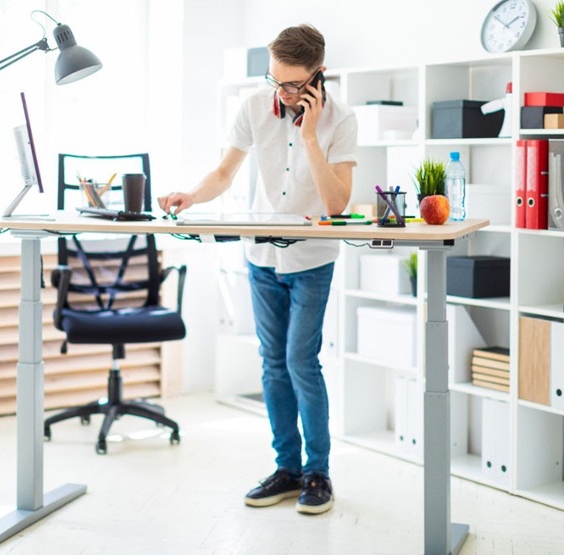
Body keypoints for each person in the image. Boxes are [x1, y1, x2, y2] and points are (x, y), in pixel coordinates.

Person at [158, 24, 357, 515]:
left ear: (318, 75)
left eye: (293, 84)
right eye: (275, 81)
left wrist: (309, 135)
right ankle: (287, 469)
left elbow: (337, 203)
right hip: (261, 256)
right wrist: (191, 194)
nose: (283, 93)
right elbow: (225, 174)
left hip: (311, 259)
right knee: (272, 364)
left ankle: (318, 473)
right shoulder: (252, 107)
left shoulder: (342, 120)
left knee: (300, 362)